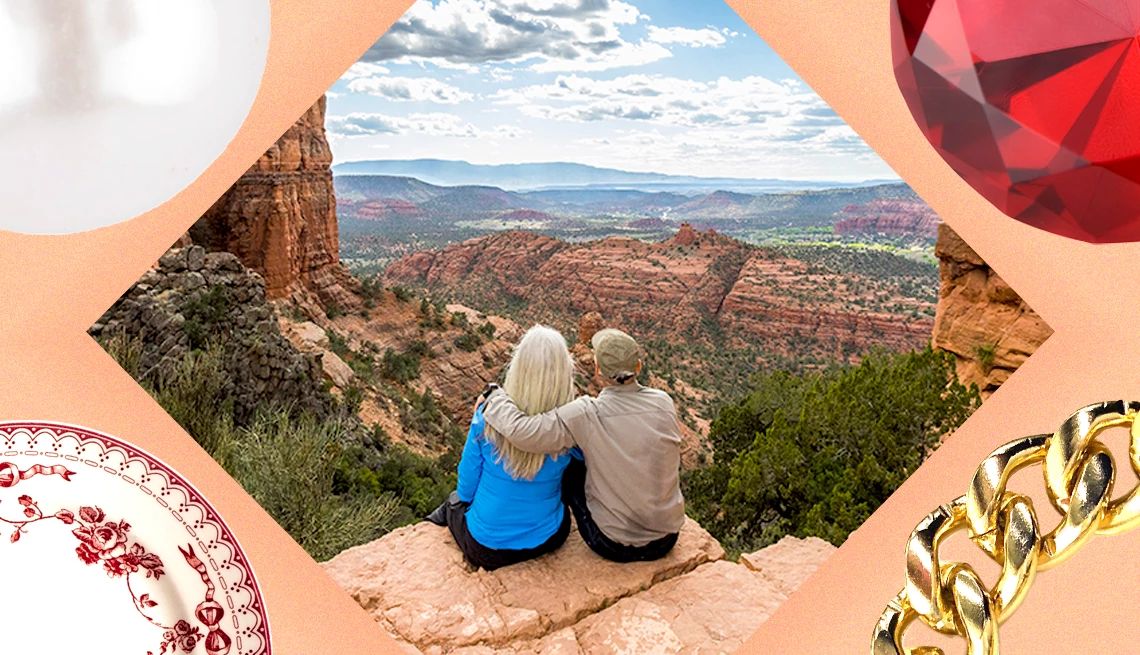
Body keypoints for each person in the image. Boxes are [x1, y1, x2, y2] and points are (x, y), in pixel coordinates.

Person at [481, 328, 685, 563]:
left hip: (612, 544)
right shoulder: (663, 402)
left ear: (598, 370)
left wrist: (494, 397)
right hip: (667, 538)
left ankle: (543, 519)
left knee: (571, 463)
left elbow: (525, 432)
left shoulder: (587, 413)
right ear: (638, 367)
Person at [425, 325, 575, 570]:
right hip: (549, 538)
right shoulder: (573, 427)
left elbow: (466, 490)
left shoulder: (487, 419)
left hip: (487, 549)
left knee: (453, 503)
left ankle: (432, 521)